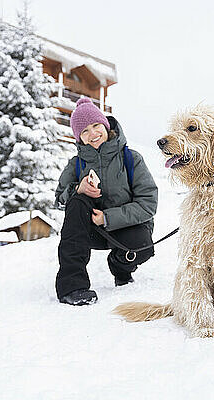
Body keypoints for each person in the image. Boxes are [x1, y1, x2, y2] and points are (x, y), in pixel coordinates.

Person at [54, 98, 158, 306]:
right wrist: (78, 189)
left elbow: (148, 203)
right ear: (79, 138)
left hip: (125, 229)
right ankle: (72, 287)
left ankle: (120, 267)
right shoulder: (76, 164)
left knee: (142, 246)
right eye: (84, 131)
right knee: (76, 202)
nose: (92, 134)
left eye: (95, 126)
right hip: (91, 230)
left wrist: (107, 218)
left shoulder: (131, 158)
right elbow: (59, 199)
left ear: (105, 125)